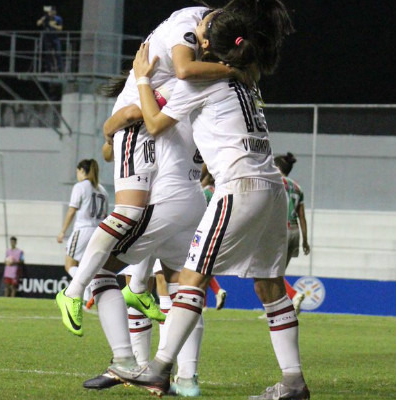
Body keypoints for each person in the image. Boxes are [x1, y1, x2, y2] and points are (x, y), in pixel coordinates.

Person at [108, 4, 309, 399]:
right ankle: (293, 382)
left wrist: (144, 80)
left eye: (202, 34)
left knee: (192, 277)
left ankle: (160, 366)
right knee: (270, 288)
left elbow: (152, 122)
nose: (197, 37)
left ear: (211, 46)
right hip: (271, 185)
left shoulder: (199, 83)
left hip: (239, 186)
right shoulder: (247, 80)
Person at [59, 4, 248, 396]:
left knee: (104, 271)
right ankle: (184, 377)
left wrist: (141, 83)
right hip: (193, 201)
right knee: (183, 288)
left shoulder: (187, 84)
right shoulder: (224, 90)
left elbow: (141, 117)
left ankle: (121, 355)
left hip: (163, 201)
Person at [57, 159, 108, 306]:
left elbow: (72, 209)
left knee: (69, 264)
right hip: (98, 231)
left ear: (81, 171)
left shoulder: (80, 186)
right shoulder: (102, 190)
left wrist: (62, 231)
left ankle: (87, 289)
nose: (77, 175)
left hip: (83, 229)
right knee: (85, 265)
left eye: (77, 172)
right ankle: (88, 294)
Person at [275, 152, 310, 313]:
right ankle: (283, 308)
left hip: (280, 230)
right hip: (295, 231)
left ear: (276, 167)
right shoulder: (298, 187)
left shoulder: (275, 182)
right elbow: (302, 216)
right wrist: (305, 240)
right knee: (278, 273)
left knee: (271, 273)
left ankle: (294, 295)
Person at [200, 163, 228, 310]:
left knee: (197, 268)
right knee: (204, 268)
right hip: (220, 231)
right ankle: (213, 294)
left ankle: (212, 295)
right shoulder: (219, 191)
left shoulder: (205, 192)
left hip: (204, 231)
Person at [36, 5, 63, 72]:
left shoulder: (58, 18)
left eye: (51, 12)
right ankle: (48, 69)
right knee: (47, 54)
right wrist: (42, 20)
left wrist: (53, 25)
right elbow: (38, 24)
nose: (50, 13)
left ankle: (60, 69)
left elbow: (60, 28)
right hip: (47, 38)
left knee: (58, 53)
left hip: (55, 37)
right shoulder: (45, 18)